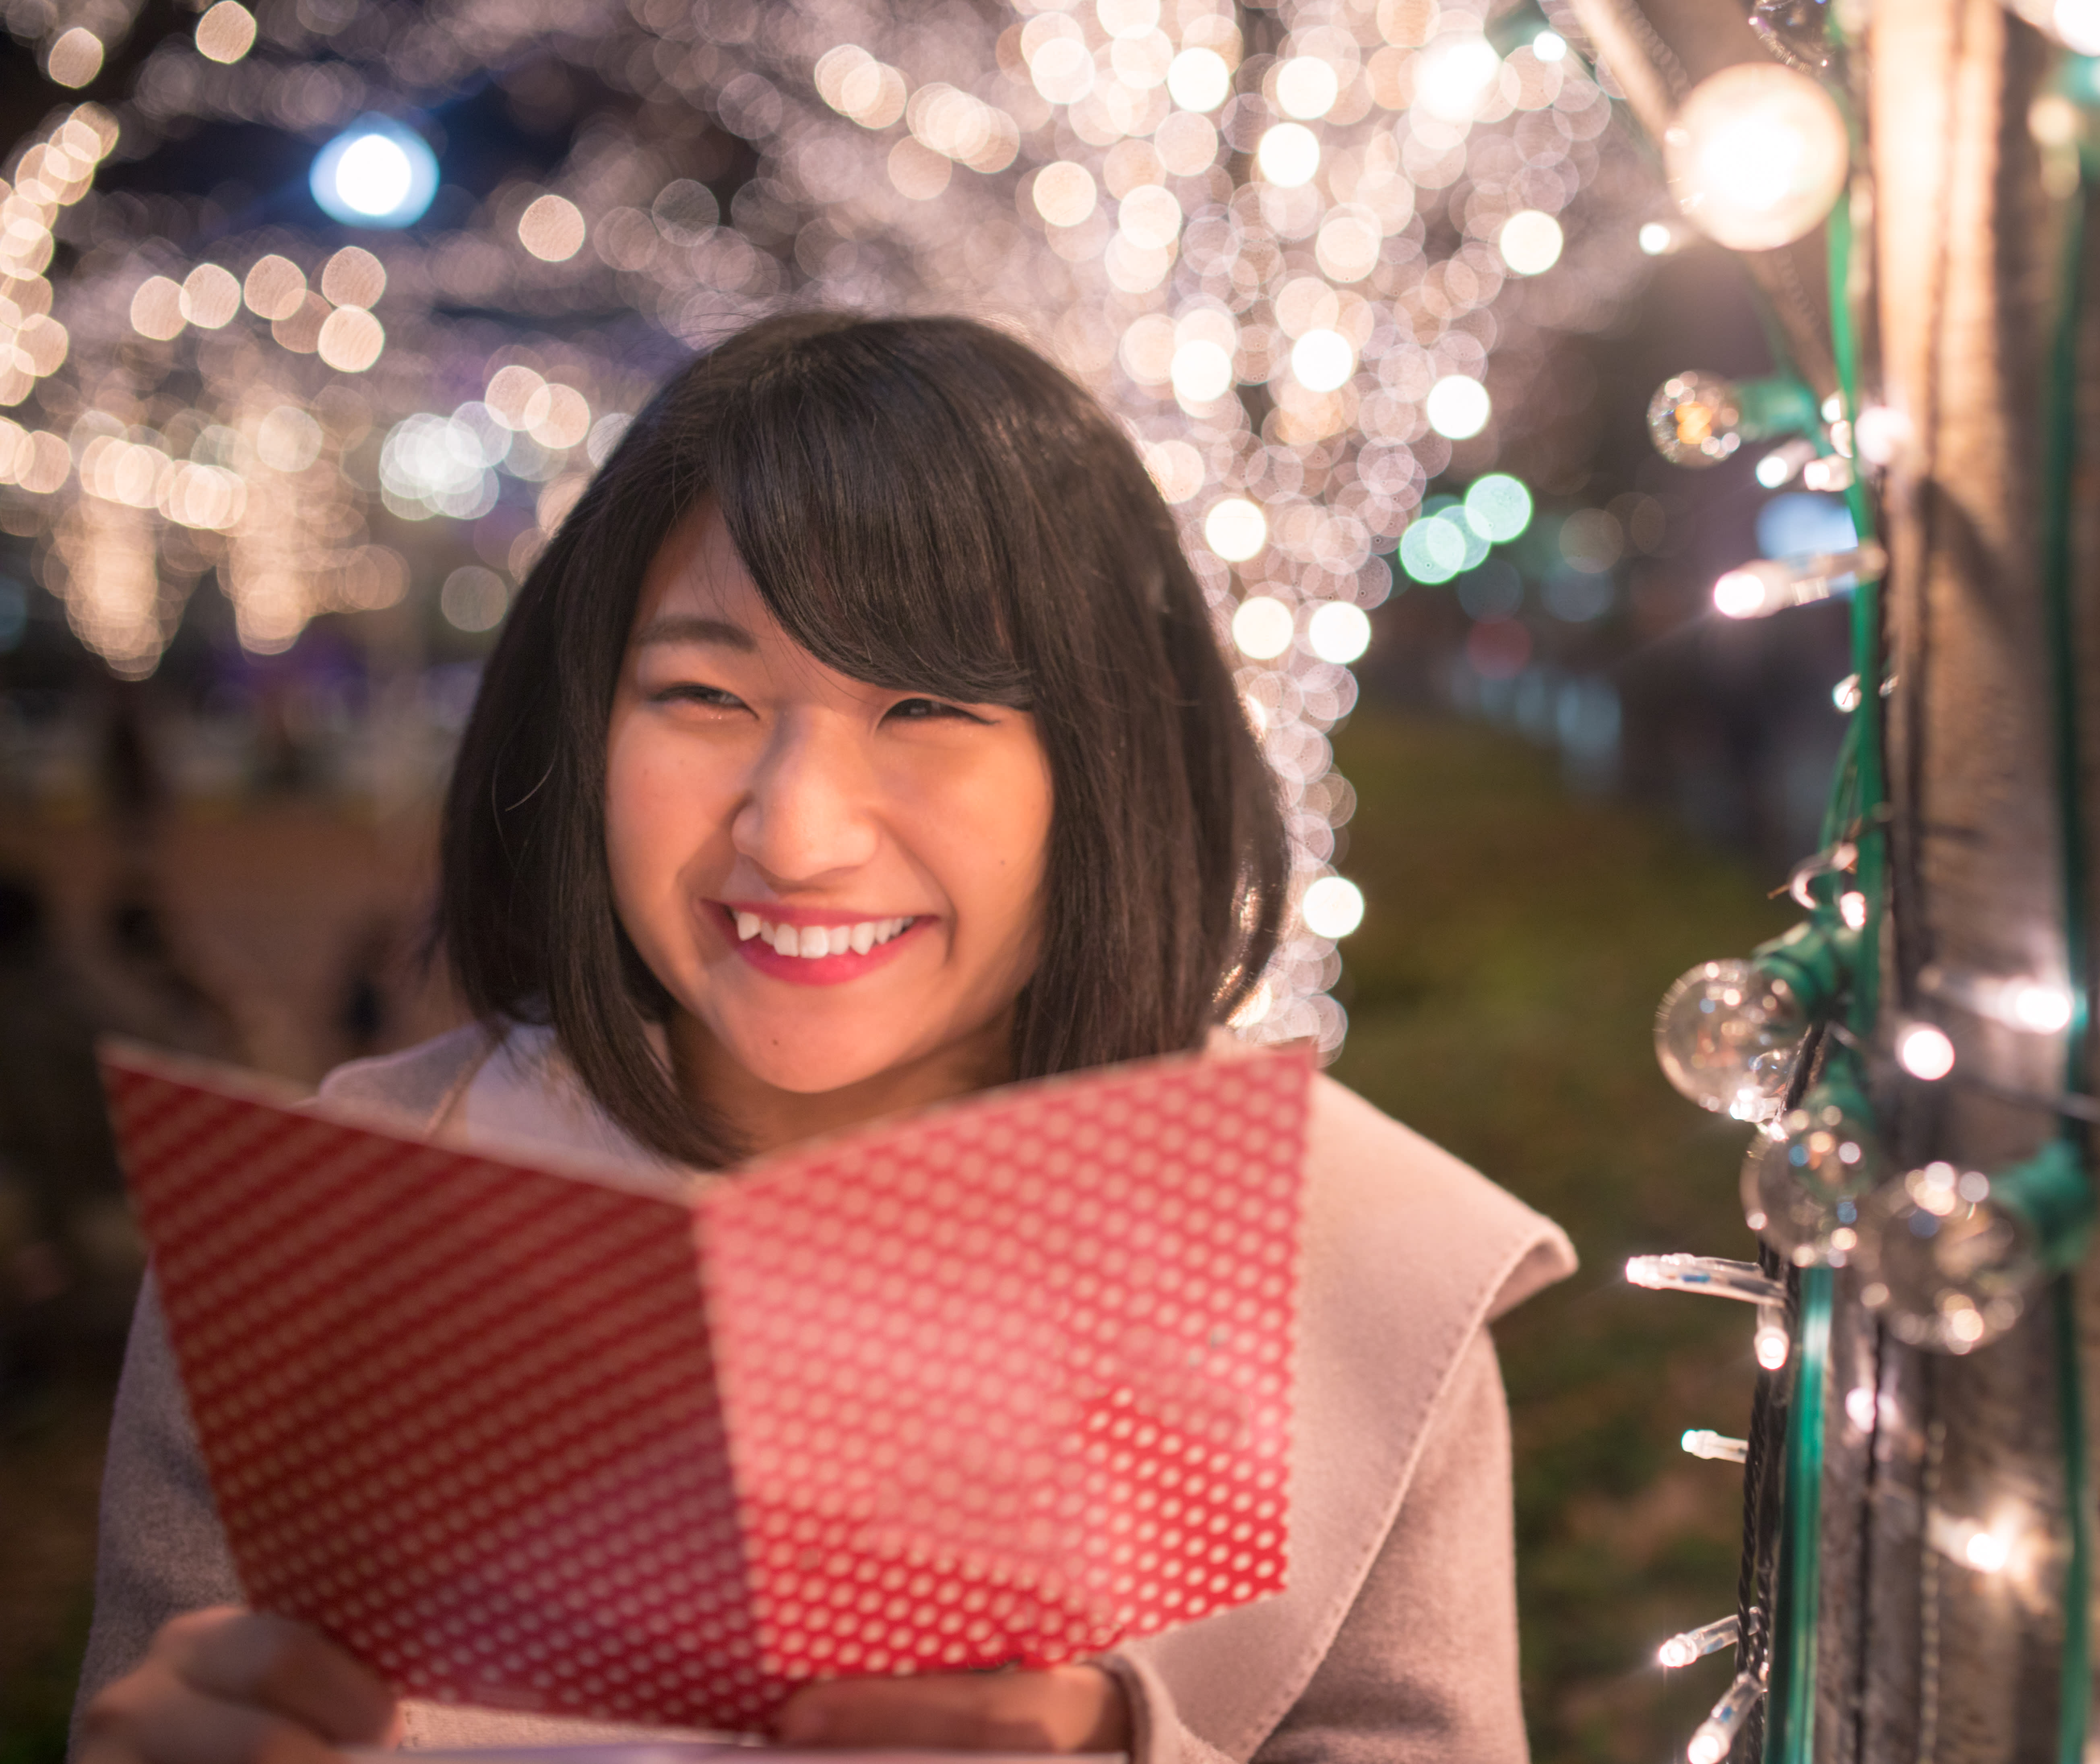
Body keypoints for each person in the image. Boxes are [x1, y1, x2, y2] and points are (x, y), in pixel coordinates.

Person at [72, 314, 1574, 1762]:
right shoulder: (317, 1244)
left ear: (1111, 756)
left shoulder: (1353, 1270)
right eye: (703, 695)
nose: (793, 834)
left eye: (925, 704)